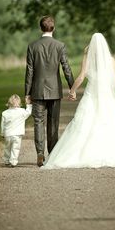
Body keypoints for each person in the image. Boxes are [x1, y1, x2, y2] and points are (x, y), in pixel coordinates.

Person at [42, 32, 115, 169]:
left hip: (91, 95)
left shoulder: (87, 58)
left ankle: (80, 154)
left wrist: (72, 91)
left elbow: (81, 77)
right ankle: (108, 151)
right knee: (107, 122)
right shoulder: (110, 60)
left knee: (84, 122)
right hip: (106, 97)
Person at [25, 15, 74, 167]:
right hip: (54, 90)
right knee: (53, 123)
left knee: (38, 122)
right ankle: (52, 153)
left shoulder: (32, 46)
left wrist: (27, 93)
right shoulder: (60, 45)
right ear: (54, 28)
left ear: (41, 28)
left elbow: (29, 71)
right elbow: (66, 67)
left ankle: (40, 153)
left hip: (37, 90)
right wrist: (72, 87)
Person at [0, 94, 32, 167]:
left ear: (9, 103)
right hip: (17, 134)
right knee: (15, 148)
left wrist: (2, 133)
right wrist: (28, 104)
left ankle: (7, 160)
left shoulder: (4, 113)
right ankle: (13, 161)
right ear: (19, 103)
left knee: (7, 148)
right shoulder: (22, 111)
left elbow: (2, 124)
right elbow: (29, 112)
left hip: (7, 134)